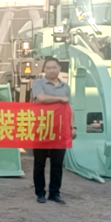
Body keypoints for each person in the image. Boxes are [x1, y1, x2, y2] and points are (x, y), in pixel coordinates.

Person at [31, 57, 75, 205]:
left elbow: (69, 108)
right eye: (48, 68)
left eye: (54, 67)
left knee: (57, 163)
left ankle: (54, 193)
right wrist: (61, 99)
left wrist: (73, 126)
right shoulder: (38, 83)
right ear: (44, 69)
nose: (51, 70)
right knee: (39, 163)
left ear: (59, 69)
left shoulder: (65, 86)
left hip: (60, 130)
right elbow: (41, 99)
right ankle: (40, 193)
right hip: (42, 128)